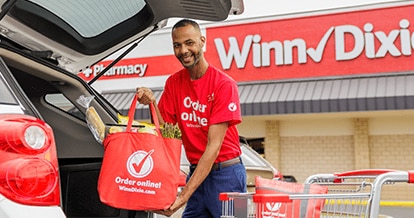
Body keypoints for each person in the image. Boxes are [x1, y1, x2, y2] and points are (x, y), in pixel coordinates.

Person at [137, 19, 246, 218]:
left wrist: (184, 195)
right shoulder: (173, 83)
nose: (183, 50)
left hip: (227, 175)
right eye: (177, 45)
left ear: (202, 41)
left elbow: (213, 148)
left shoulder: (224, 85)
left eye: (189, 43)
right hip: (197, 173)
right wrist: (152, 102)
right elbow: (166, 132)